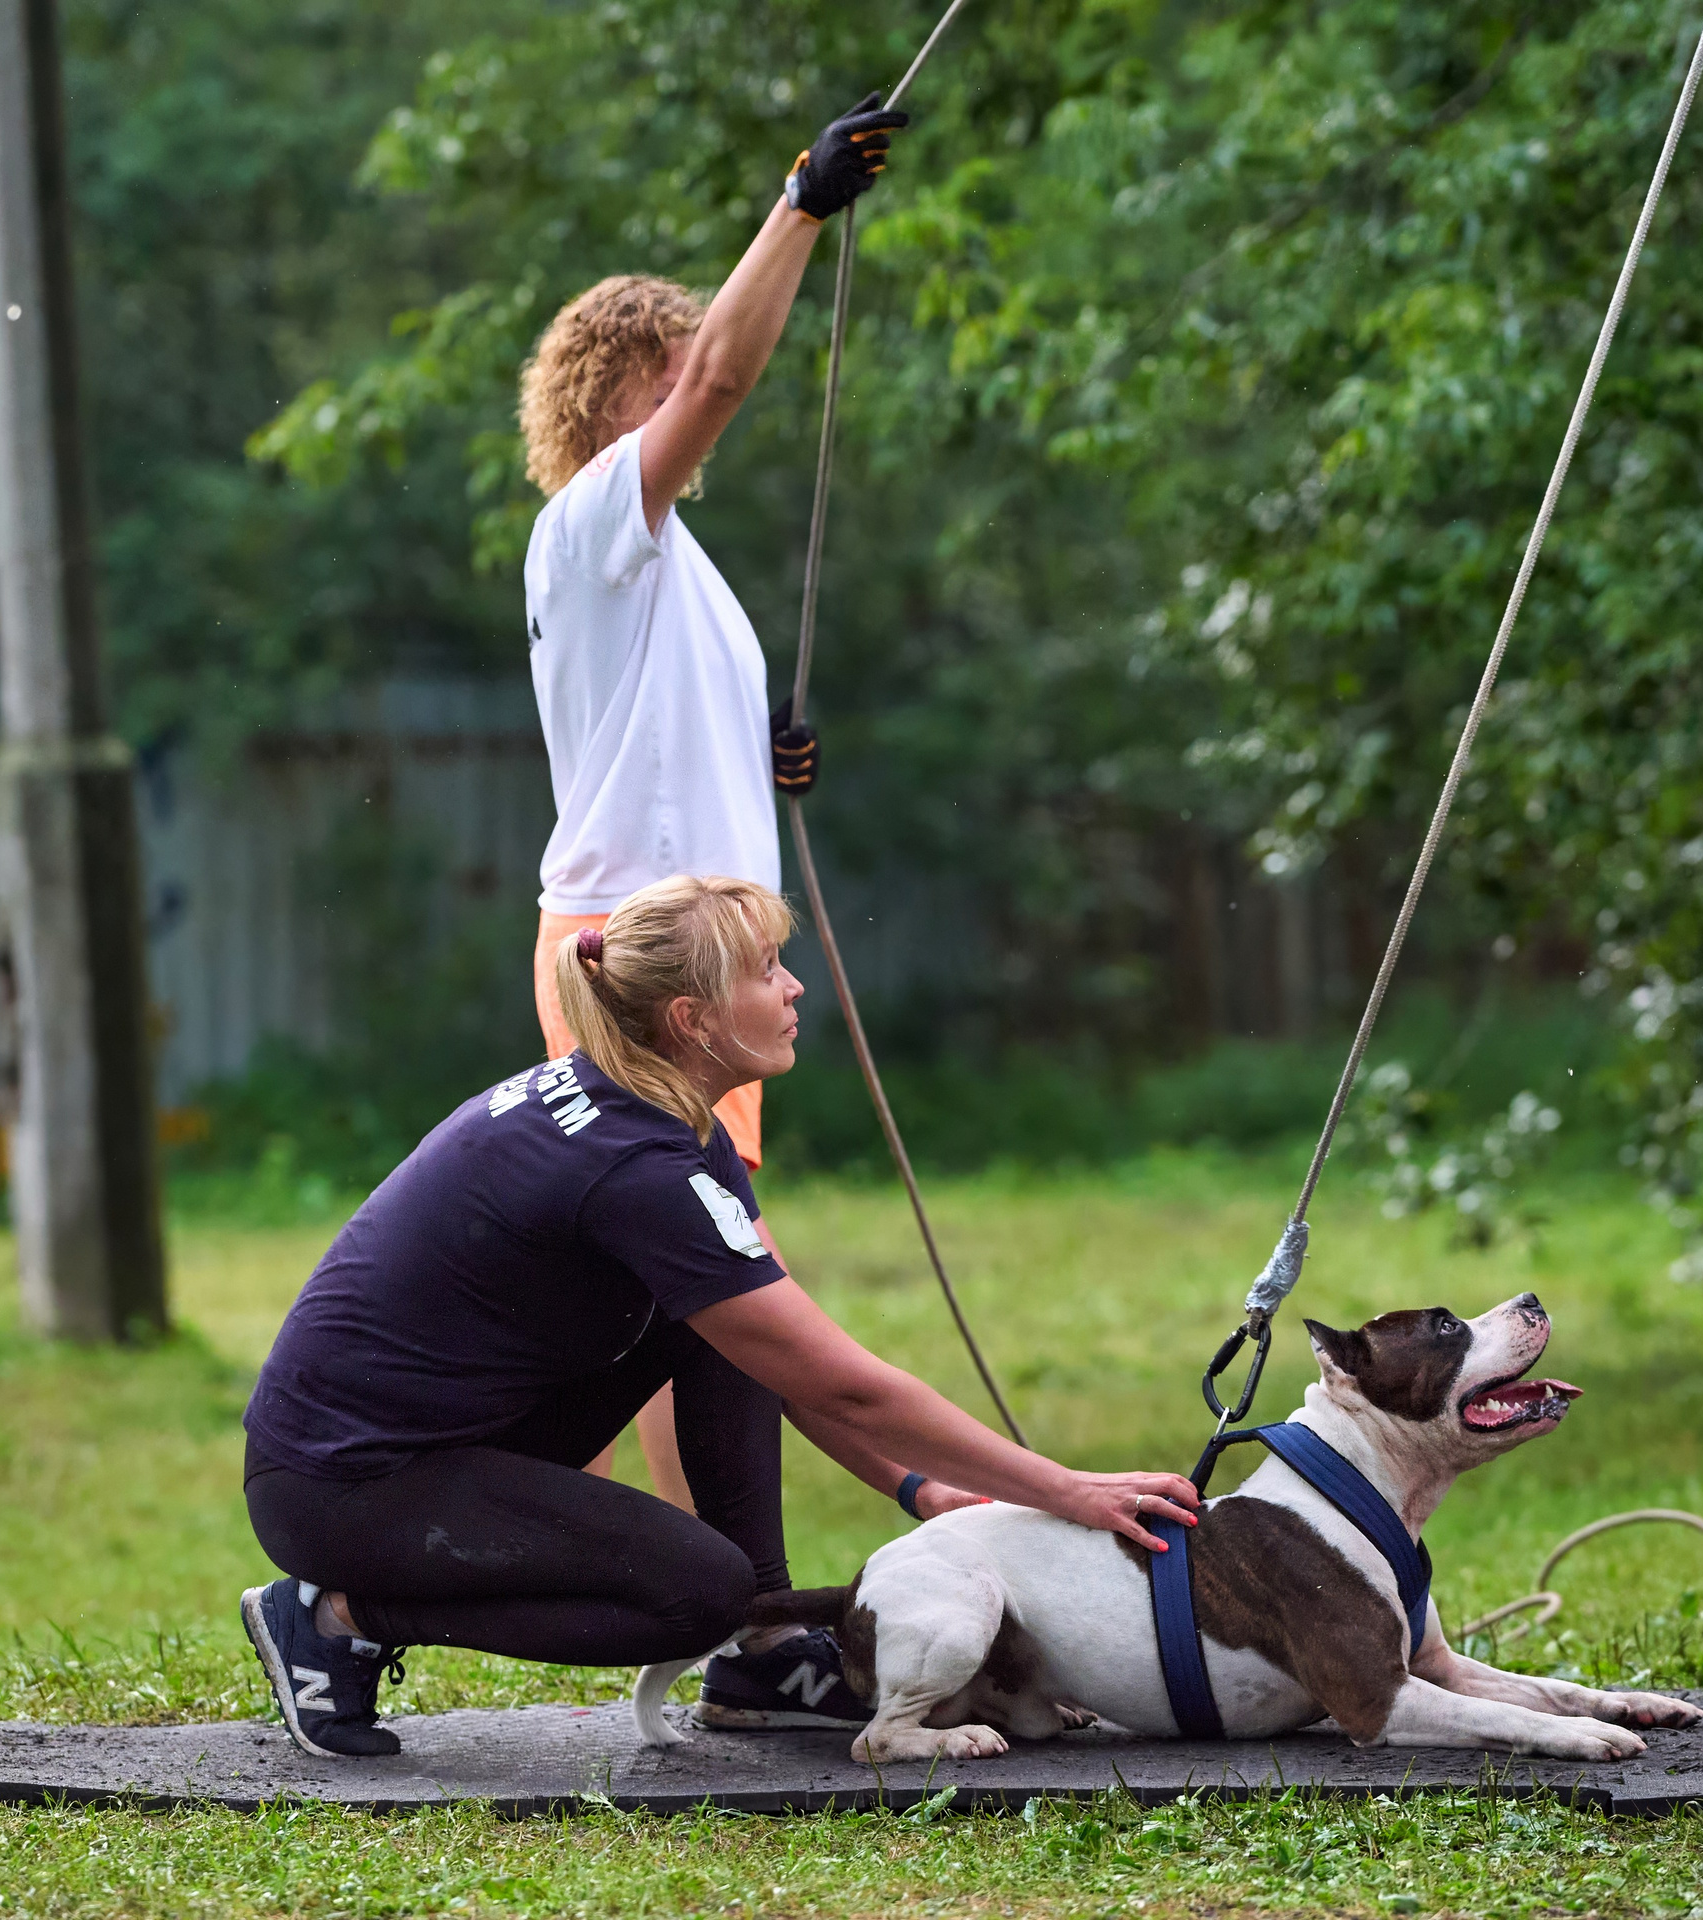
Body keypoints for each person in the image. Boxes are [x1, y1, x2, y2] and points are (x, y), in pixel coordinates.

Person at [238, 876, 1200, 1758]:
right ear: (692, 1019)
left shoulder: (665, 1123)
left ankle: (768, 1652)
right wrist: (1066, 1489)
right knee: (692, 1594)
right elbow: (845, 1386)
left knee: (729, 1318)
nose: (795, 991)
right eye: (767, 971)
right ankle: (338, 1617)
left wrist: (921, 1492)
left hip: (453, 1436)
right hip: (343, 1484)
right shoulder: (636, 1167)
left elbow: (790, 1360)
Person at [517, 91, 893, 1508]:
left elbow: (660, 737)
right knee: (695, 1291)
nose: (704, 397)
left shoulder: (664, 560)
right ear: (624, 392)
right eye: (673, 374)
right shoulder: (601, 520)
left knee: (686, 1290)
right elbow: (725, 379)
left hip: (688, 941)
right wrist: (800, 202)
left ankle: (732, 1609)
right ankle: (397, 1572)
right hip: (644, 948)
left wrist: (756, 755)